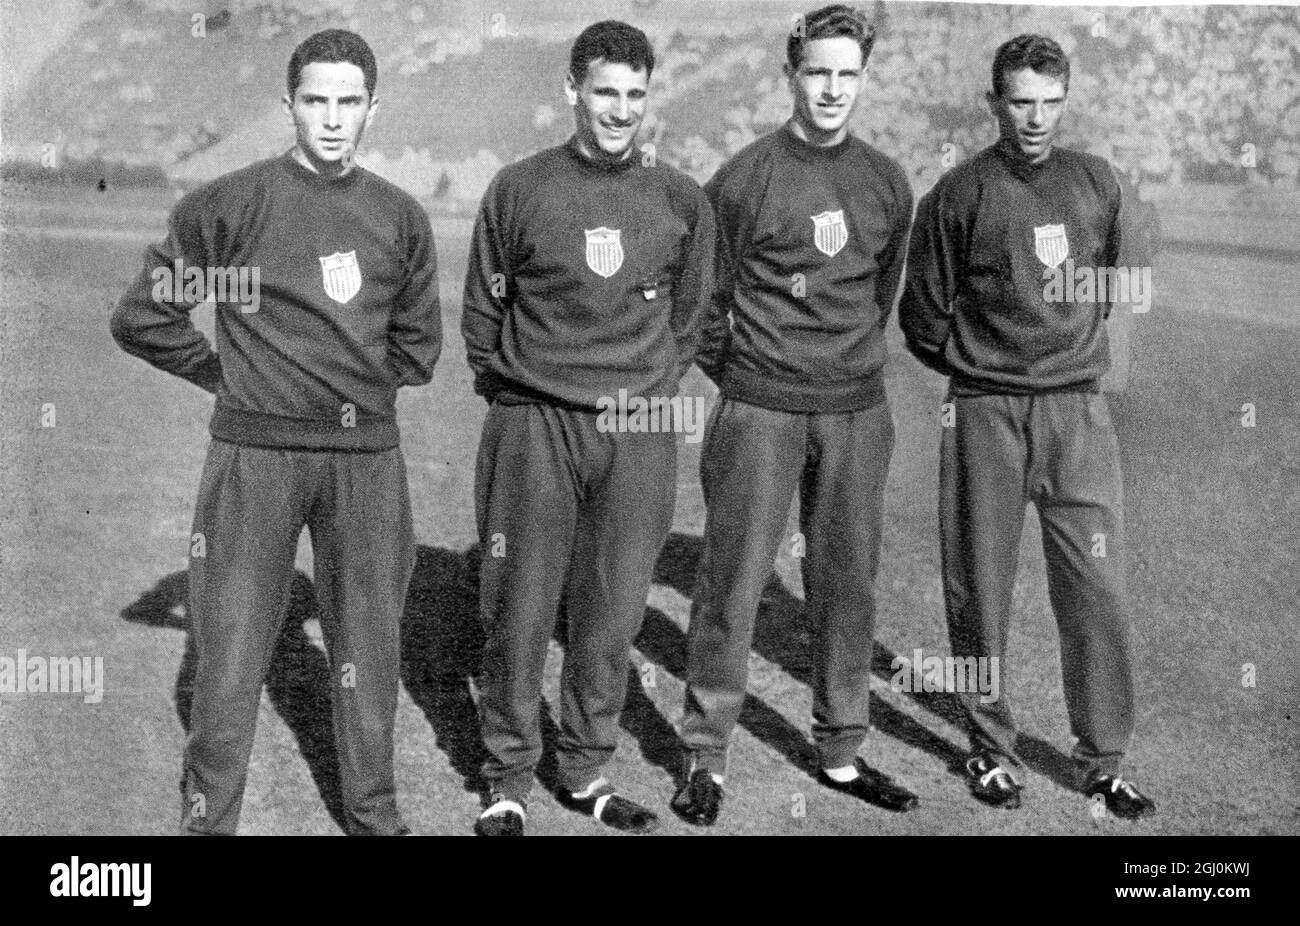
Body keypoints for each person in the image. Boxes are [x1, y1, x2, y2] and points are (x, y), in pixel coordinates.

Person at [111, 29, 441, 835]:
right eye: (315, 101)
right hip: (253, 457)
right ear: (287, 105)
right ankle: (209, 819)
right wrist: (222, 375)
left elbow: (417, 346)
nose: (332, 120)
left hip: (364, 462)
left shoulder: (398, 217)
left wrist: (347, 396)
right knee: (227, 655)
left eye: (349, 102)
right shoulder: (228, 205)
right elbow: (143, 315)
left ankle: (375, 816)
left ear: (374, 108)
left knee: (368, 649)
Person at [461, 19, 715, 836]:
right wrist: (533, 389)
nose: (619, 110)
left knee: (612, 612)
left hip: (637, 430)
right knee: (520, 607)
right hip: (535, 423)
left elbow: (693, 316)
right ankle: (506, 778)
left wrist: (642, 388)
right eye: (604, 91)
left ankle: (585, 769)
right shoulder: (519, 188)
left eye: (635, 95)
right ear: (571, 90)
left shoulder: (679, 198)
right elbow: (481, 318)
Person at [898, 34, 1156, 820]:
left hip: (1078, 413)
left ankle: (1103, 759)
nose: (1036, 118)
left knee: (1097, 590)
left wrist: (1067, 355)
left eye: (1050, 101)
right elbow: (921, 313)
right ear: (994, 104)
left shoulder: (1096, 182)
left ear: (1065, 100)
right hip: (986, 413)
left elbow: (1112, 281)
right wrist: (985, 367)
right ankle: (989, 748)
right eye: (1020, 101)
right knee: (980, 587)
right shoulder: (957, 193)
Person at [671, 4, 917, 828]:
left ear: (863, 79)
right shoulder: (744, 178)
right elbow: (702, 298)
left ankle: (843, 749)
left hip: (854, 411)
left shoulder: (886, 180)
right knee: (732, 582)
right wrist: (746, 372)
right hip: (760, 411)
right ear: (792, 74)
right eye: (819, 72)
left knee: (847, 586)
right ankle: (706, 756)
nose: (833, 90)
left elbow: (877, 297)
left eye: (849, 75)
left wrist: (838, 363)